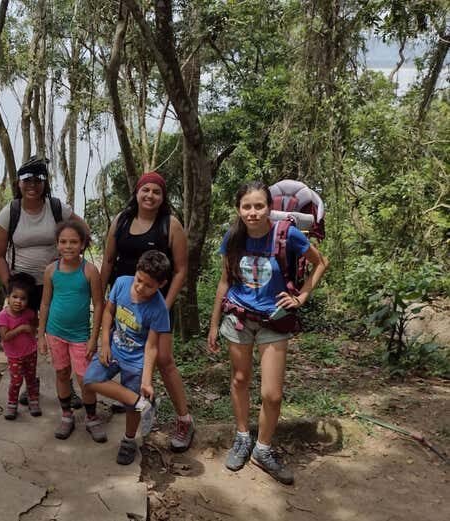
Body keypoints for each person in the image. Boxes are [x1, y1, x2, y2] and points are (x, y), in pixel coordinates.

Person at [208, 180, 329, 485]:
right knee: (239, 379)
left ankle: (263, 449)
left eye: (258, 206)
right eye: (246, 206)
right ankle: (242, 436)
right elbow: (224, 282)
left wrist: (301, 297)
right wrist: (213, 323)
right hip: (237, 318)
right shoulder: (234, 237)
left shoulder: (287, 234)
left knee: (272, 394)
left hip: (274, 320)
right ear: (239, 209)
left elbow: (320, 263)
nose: (252, 212)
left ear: (269, 207)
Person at [99, 171, 194, 452]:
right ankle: (133, 398)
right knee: (122, 352)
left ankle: (184, 419)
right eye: (146, 190)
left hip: (155, 305)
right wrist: (100, 297)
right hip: (123, 302)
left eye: (157, 191)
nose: (150, 195)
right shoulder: (122, 220)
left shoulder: (170, 225)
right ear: (137, 192)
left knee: (163, 360)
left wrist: (165, 305)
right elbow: (107, 260)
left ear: (163, 198)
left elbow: (181, 270)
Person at [0, 156, 89, 407]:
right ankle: (29, 386)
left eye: (38, 180)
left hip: (57, 284)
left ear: (45, 183)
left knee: (60, 335)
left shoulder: (57, 208)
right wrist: (9, 287)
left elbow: (83, 230)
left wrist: (74, 263)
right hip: (23, 289)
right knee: (27, 338)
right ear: (18, 183)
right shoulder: (9, 212)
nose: (32, 185)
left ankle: (70, 390)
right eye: (27, 180)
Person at [84, 250, 173, 465]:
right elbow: (108, 312)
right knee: (90, 380)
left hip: (136, 361)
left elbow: (151, 346)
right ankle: (142, 403)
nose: (141, 287)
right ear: (136, 272)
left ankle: (129, 440)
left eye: (148, 285)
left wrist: (146, 380)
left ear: (161, 284)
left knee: (132, 408)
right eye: (139, 280)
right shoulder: (122, 283)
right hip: (113, 349)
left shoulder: (159, 309)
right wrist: (104, 342)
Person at [36, 221, 105, 441]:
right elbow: (45, 304)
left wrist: (95, 338)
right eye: (63, 242)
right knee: (62, 373)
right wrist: (41, 335)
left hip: (80, 336)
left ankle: (92, 418)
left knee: (86, 378)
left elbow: (99, 304)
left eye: (74, 242)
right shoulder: (51, 271)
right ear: (57, 244)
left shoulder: (90, 271)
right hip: (55, 333)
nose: (68, 246)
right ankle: (67, 416)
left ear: (83, 244)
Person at [0, 273, 41, 420]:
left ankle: (33, 401)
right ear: (8, 297)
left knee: (31, 378)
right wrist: (22, 328)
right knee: (16, 381)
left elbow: (35, 324)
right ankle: (12, 404)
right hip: (14, 355)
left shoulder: (29, 313)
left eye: (23, 298)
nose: (18, 301)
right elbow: (5, 336)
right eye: (15, 297)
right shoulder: (3, 316)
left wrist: (34, 329)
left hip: (30, 352)